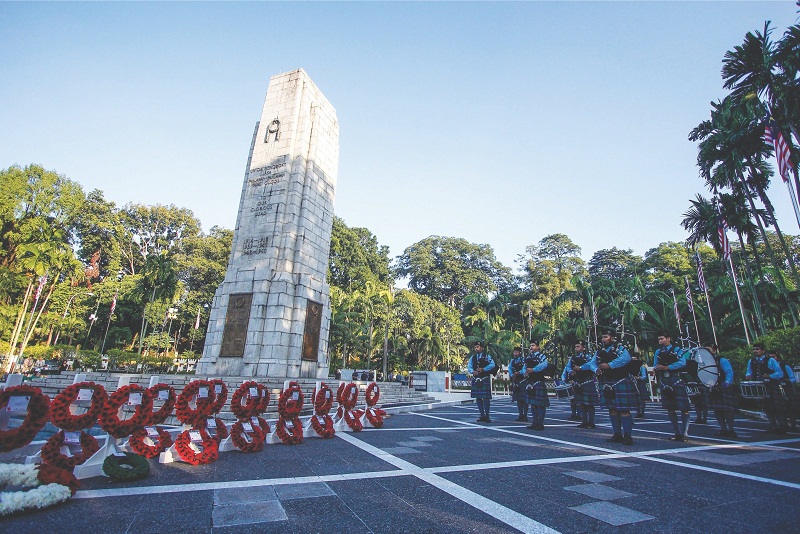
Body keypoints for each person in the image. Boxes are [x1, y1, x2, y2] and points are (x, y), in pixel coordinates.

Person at [590, 331, 637, 445]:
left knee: (624, 410)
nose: (603, 339)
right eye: (602, 337)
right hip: (606, 381)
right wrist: (596, 369)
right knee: (612, 409)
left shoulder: (619, 349)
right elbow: (592, 363)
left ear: (612, 338)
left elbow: (626, 358)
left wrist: (610, 365)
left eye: (605, 337)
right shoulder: (600, 351)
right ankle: (617, 434)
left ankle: (628, 436)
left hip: (620, 380)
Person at [654, 331, 691, 442]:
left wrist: (668, 367)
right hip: (665, 380)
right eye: (659, 339)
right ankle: (677, 433)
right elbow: (655, 363)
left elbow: (683, 362)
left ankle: (685, 433)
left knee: (683, 408)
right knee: (670, 408)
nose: (660, 341)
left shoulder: (677, 350)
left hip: (676, 378)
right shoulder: (658, 351)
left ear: (668, 338)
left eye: (662, 338)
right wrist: (657, 367)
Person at [745, 344, 786, 434]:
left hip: (771, 386)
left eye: (757, 349)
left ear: (763, 351)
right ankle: (773, 425)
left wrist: (770, 376)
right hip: (759, 387)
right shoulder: (751, 361)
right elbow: (749, 371)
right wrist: (748, 376)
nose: (755, 351)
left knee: (777, 407)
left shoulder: (770, 360)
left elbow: (780, 373)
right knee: (766, 407)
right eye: (754, 349)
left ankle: (782, 427)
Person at [704, 345, 739, 438]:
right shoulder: (705, 362)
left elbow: (729, 372)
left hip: (723, 386)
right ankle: (723, 429)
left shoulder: (722, 360)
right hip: (712, 387)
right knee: (717, 410)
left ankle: (731, 430)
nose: (706, 352)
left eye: (708, 350)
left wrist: (727, 382)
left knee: (727, 411)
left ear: (714, 351)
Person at [569, 341, 600, 430]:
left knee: (589, 404)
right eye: (575, 347)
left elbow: (591, 365)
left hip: (587, 381)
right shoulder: (573, 358)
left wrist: (581, 368)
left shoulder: (589, 357)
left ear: (584, 348)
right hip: (578, 382)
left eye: (578, 346)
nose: (576, 348)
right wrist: (571, 371)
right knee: (581, 404)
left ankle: (591, 422)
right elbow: (568, 367)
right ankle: (584, 421)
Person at [468, 341, 496, 423]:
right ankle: (482, 415)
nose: (476, 348)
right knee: (478, 398)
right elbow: (469, 366)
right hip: (476, 379)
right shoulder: (473, 357)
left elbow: (492, 364)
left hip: (484, 378)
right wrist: (472, 371)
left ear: (482, 348)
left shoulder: (487, 357)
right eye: (475, 347)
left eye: (478, 347)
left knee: (486, 398)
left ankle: (487, 415)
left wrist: (484, 369)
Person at [524, 341, 549, 431]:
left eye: (533, 345)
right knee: (533, 404)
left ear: (538, 347)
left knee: (540, 405)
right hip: (530, 382)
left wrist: (533, 370)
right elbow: (524, 367)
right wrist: (525, 372)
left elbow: (545, 365)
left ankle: (540, 423)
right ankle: (534, 422)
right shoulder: (528, 357)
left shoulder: (542, 356)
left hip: (539, 382)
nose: (531, 347)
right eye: (530, 345)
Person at [509, 347, 527, 421]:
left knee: (525, 399)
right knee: (519, 400)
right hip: (516, 381)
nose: (515, 353)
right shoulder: (512, 361)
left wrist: (519, 372)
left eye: (517, 352)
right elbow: (510, 368)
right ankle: (520, 415)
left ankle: (525, 415)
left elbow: (525, 368)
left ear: (520, 353)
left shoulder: (524, 360)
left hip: (523, 380)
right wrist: (512, 375)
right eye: (514, 352)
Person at [561, 356, 581, 421]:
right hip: (571, 382)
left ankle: (579, 415)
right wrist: (564, 380)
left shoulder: (579, 363)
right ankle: (573, 414)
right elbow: (564, 373)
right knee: (572, 400)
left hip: (578, 382)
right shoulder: (568, 367)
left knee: (578, 400)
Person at [633, 352, 649, 419]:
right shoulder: (631, 367)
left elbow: (644, 376)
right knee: (635, 399)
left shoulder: (641, 367)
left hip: (640, 383)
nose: (633, 360)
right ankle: (637, 412)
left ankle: (642, 412)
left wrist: (638, 377)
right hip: (634, 383)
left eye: (635, 359)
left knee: (642, 399)